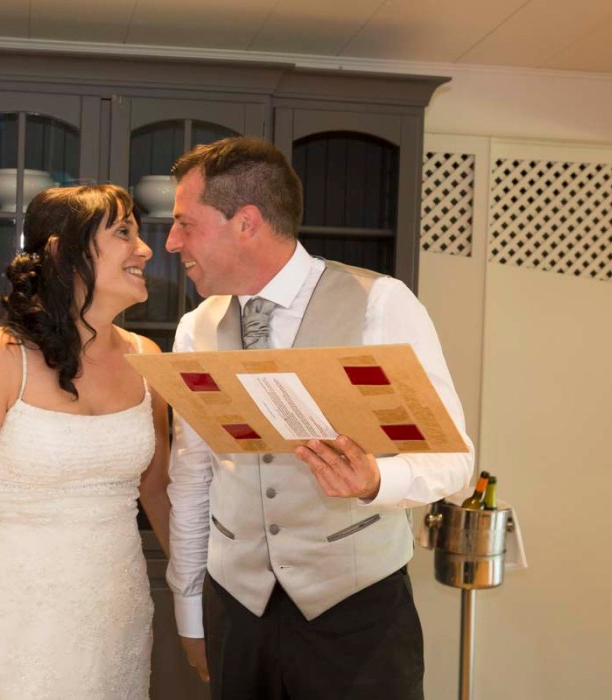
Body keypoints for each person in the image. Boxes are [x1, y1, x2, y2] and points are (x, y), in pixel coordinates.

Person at [164, 137, 475, 700]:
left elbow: (454, 462)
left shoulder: (381, 304)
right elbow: (191, 479)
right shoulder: (195, 329)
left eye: (186, 224)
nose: (171, 242)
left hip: (356, 616)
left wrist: (377, 479)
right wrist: (190, 608)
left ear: (246, 223)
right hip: (236, 610)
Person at [0, 184, 171, 700]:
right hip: (7, 619)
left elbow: (159, 492)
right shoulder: (1, 358)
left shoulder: (148, 359)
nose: (144, 249)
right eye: (123, 233)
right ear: (61, 252)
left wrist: (197, 605)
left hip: (115, 617)